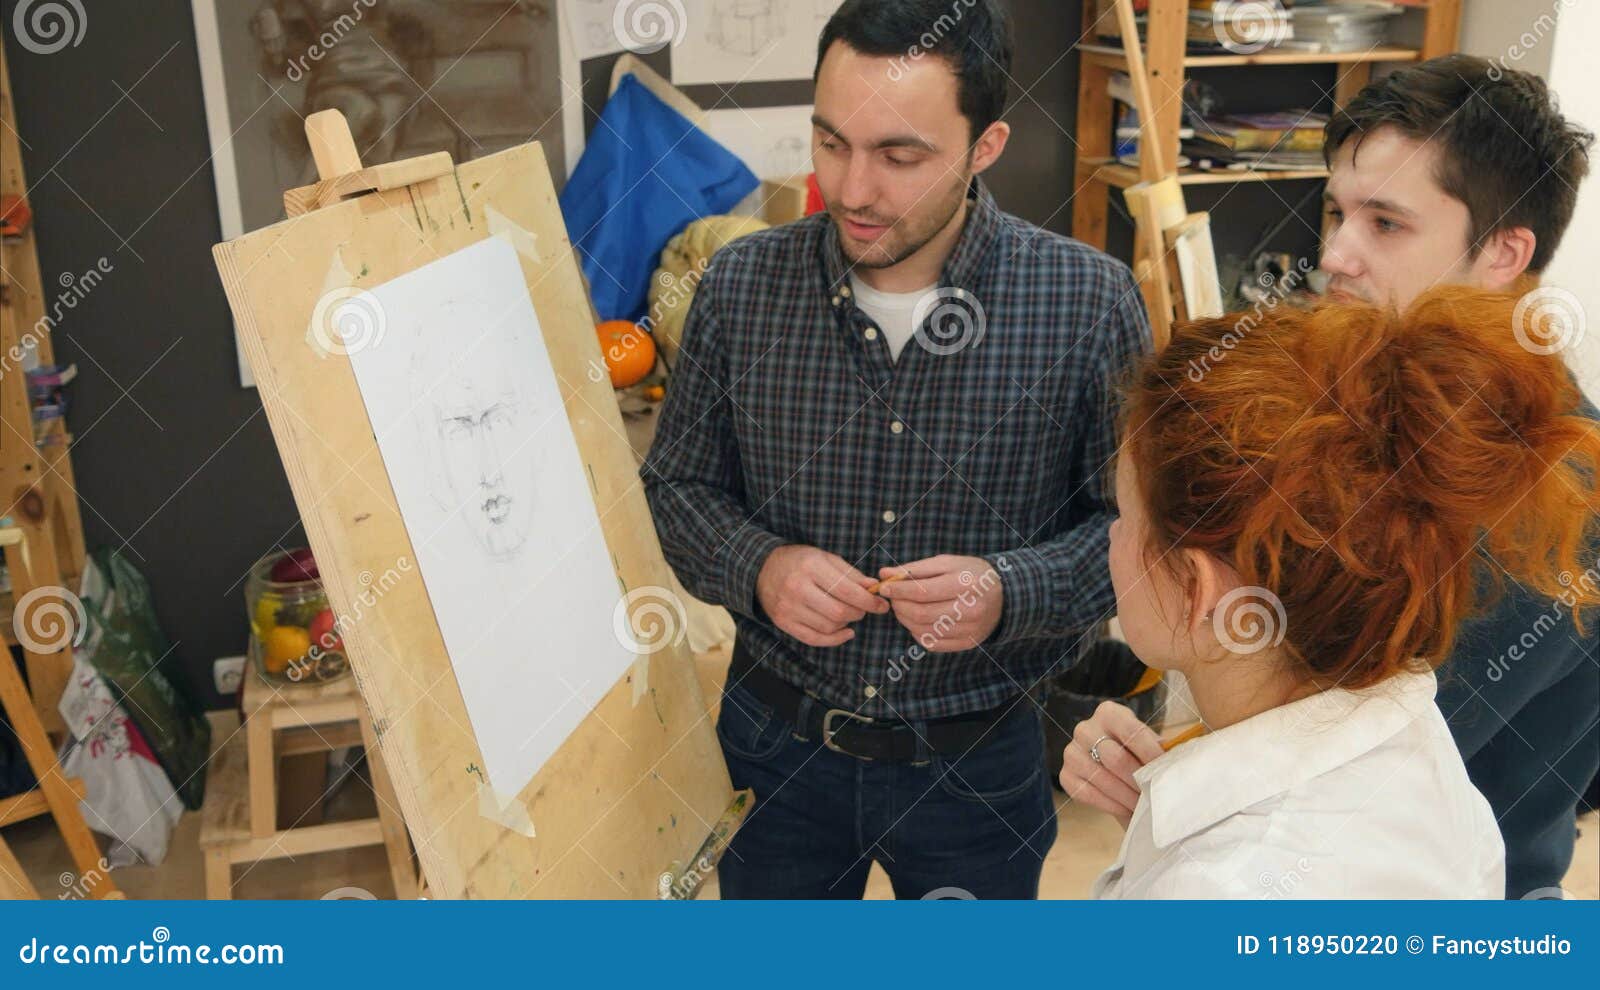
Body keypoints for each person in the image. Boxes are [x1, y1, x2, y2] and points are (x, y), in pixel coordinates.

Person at [641, 0, 1149, 899]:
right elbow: (675, 487)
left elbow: (1135, 534)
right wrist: (759, 567)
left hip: (980, 761)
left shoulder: (1088, 303)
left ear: (984, 147)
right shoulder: (740, 285)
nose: (851, 188)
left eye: (900, 156)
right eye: (831, 141)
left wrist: (1009, 591)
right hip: (774, 753)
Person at [1065, 54, 1599, 898]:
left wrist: (1184, 773)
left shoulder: (1558, 492)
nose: (1335, 256)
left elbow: (1343, 744)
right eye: (1336, 212)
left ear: (1505, 252)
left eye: (1385, 224)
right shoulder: (1367, 420)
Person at [1086, 288, 1600, 898]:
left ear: (1198, 589)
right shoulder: (1413, 726)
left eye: (1123, 514)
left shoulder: (1221, 892)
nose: (1112, 537)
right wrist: (1179, 823)